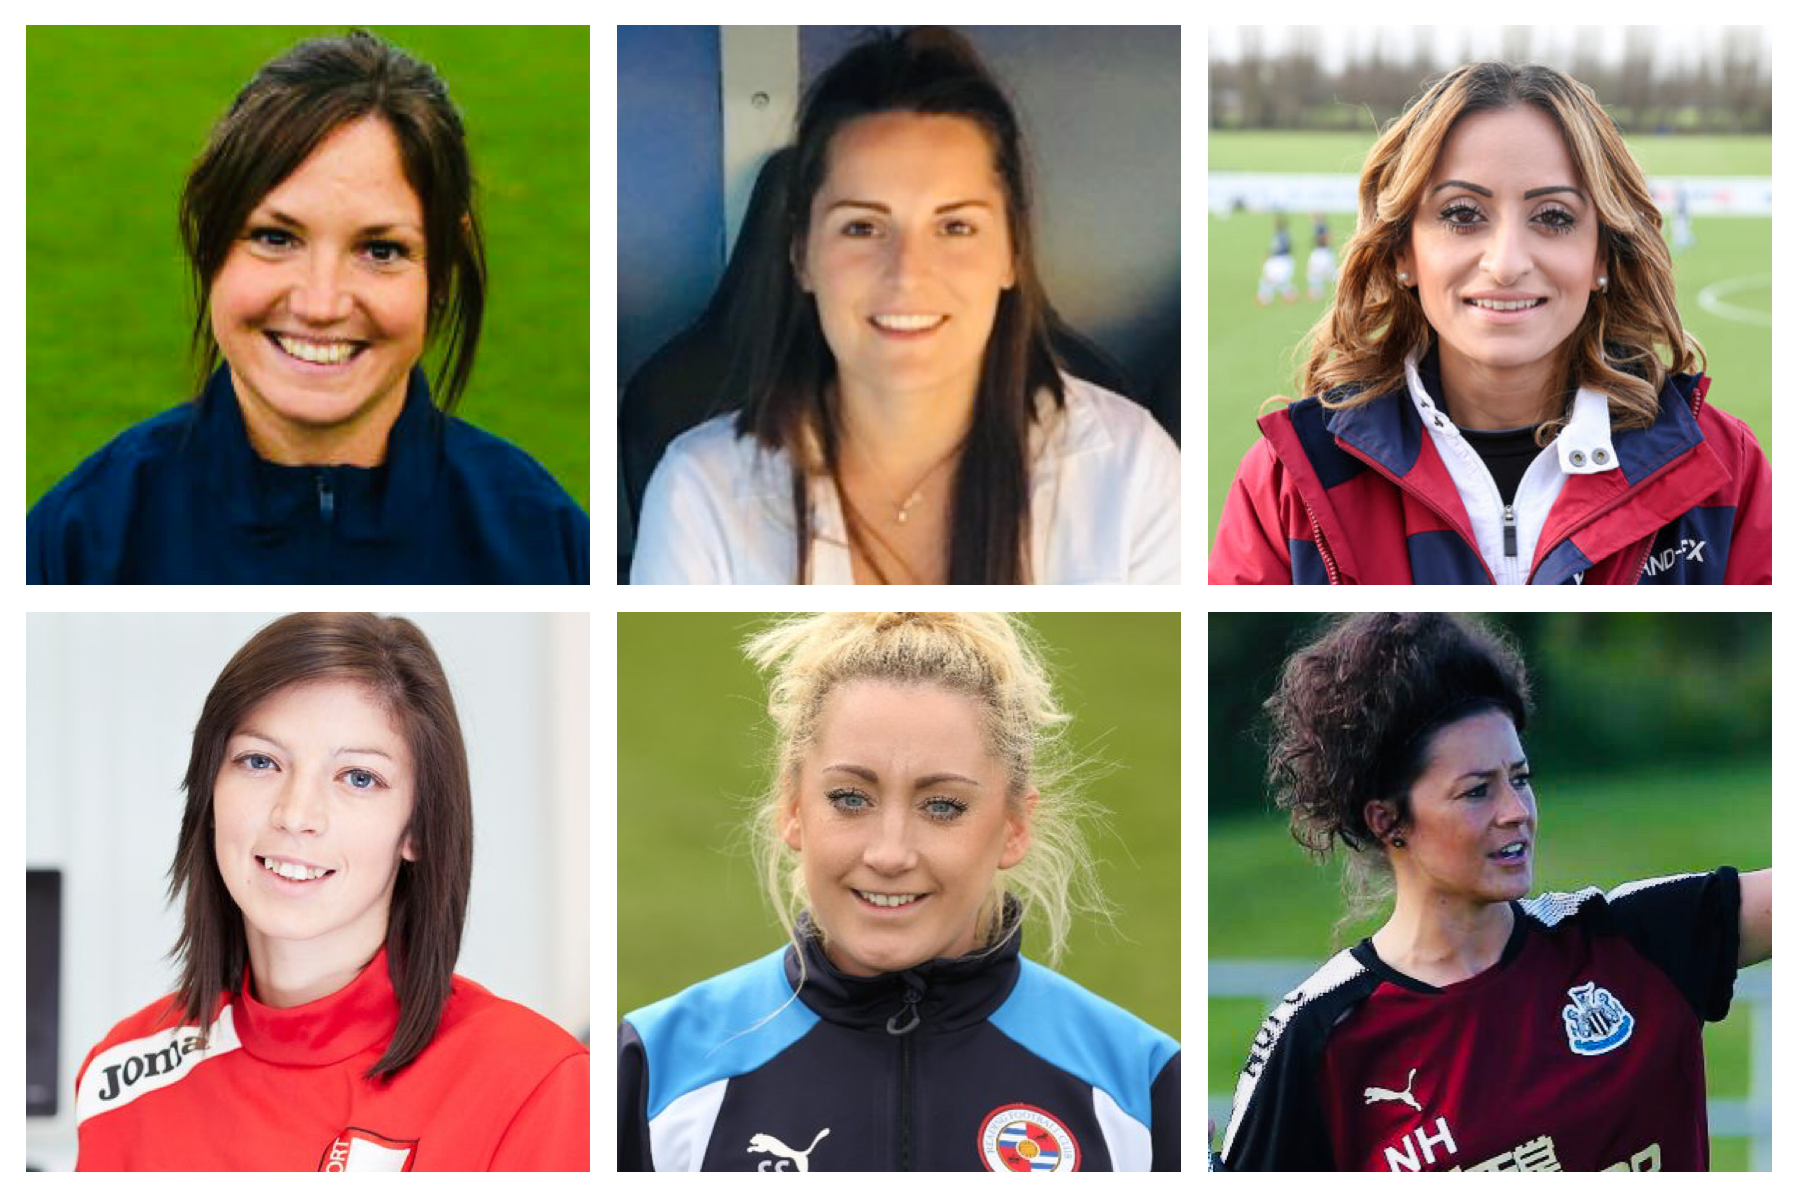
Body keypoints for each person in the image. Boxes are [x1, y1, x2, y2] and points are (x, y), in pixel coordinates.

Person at [618, 612, 1179, 1170]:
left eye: (942, 807)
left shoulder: (1138, 1084)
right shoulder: (658, 1066)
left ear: (1014, 828)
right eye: (850, 798)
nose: (889, 854)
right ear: (793, 809)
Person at [1213, 613, 1773, 1171]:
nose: (1517, 812)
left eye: (1521, 779)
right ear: (1387, 822)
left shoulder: (1630, 940)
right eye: (1478, 791)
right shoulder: (1318, 1035)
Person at [27, 31, 588, 583]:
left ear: (440, 270)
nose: (321, 304)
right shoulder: (80, 541)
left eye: (380, 250)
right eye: (275, 238)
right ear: (210, 241)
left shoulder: (544, 543)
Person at [630, 28, 1180, 584]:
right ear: (802, 254)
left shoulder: (1132, 470)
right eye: (863, 227)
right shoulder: (700, 490)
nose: (907, 272)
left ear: (1011, 251)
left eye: (955, 226)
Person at [1209, 62, 1771, 584]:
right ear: (1403, 250)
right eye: (1461, 215)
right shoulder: (1289, 484)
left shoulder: (1729, 471)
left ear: (1602, 255)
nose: (1505, 263)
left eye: (1553, 217)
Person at [74, 613, 588, 1170]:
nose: (296, 815)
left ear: (417, 826)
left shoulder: (539, 1084)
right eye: (260, 761)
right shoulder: (117, 1079)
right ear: (209, 793)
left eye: (358, 778)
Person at [1256, 214, 1298, 305]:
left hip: (1281, 261)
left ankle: (1266, 298)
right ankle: (1288, 295)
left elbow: (1283, 248)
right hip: (1280, 261)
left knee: (1272, 279)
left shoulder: (1282, 236)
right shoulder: (1282, 235)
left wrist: (1270, 254)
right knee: (1273, 280)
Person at [1306, 215, 1337, 301]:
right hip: (1323, 252)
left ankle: (1317, 292)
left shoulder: (1321, 227)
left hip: (1323, 253)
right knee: (1317, 273)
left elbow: (1328, 238)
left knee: (1318, 273)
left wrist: (1318, 239)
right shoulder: (1319, 227)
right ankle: (1317, 292)